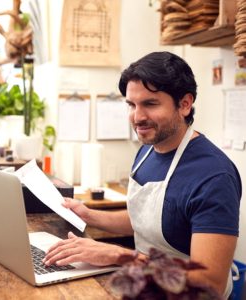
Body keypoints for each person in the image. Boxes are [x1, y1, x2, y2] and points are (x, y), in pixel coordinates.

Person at [43, 52, 241, 298]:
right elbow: (150, 218)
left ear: (185, 104)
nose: (137, 118)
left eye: (150, 104)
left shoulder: (214, 176)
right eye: (131, 105)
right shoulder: (147, 150)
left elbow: (210, 282)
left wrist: (118, 255)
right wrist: (89, 215)